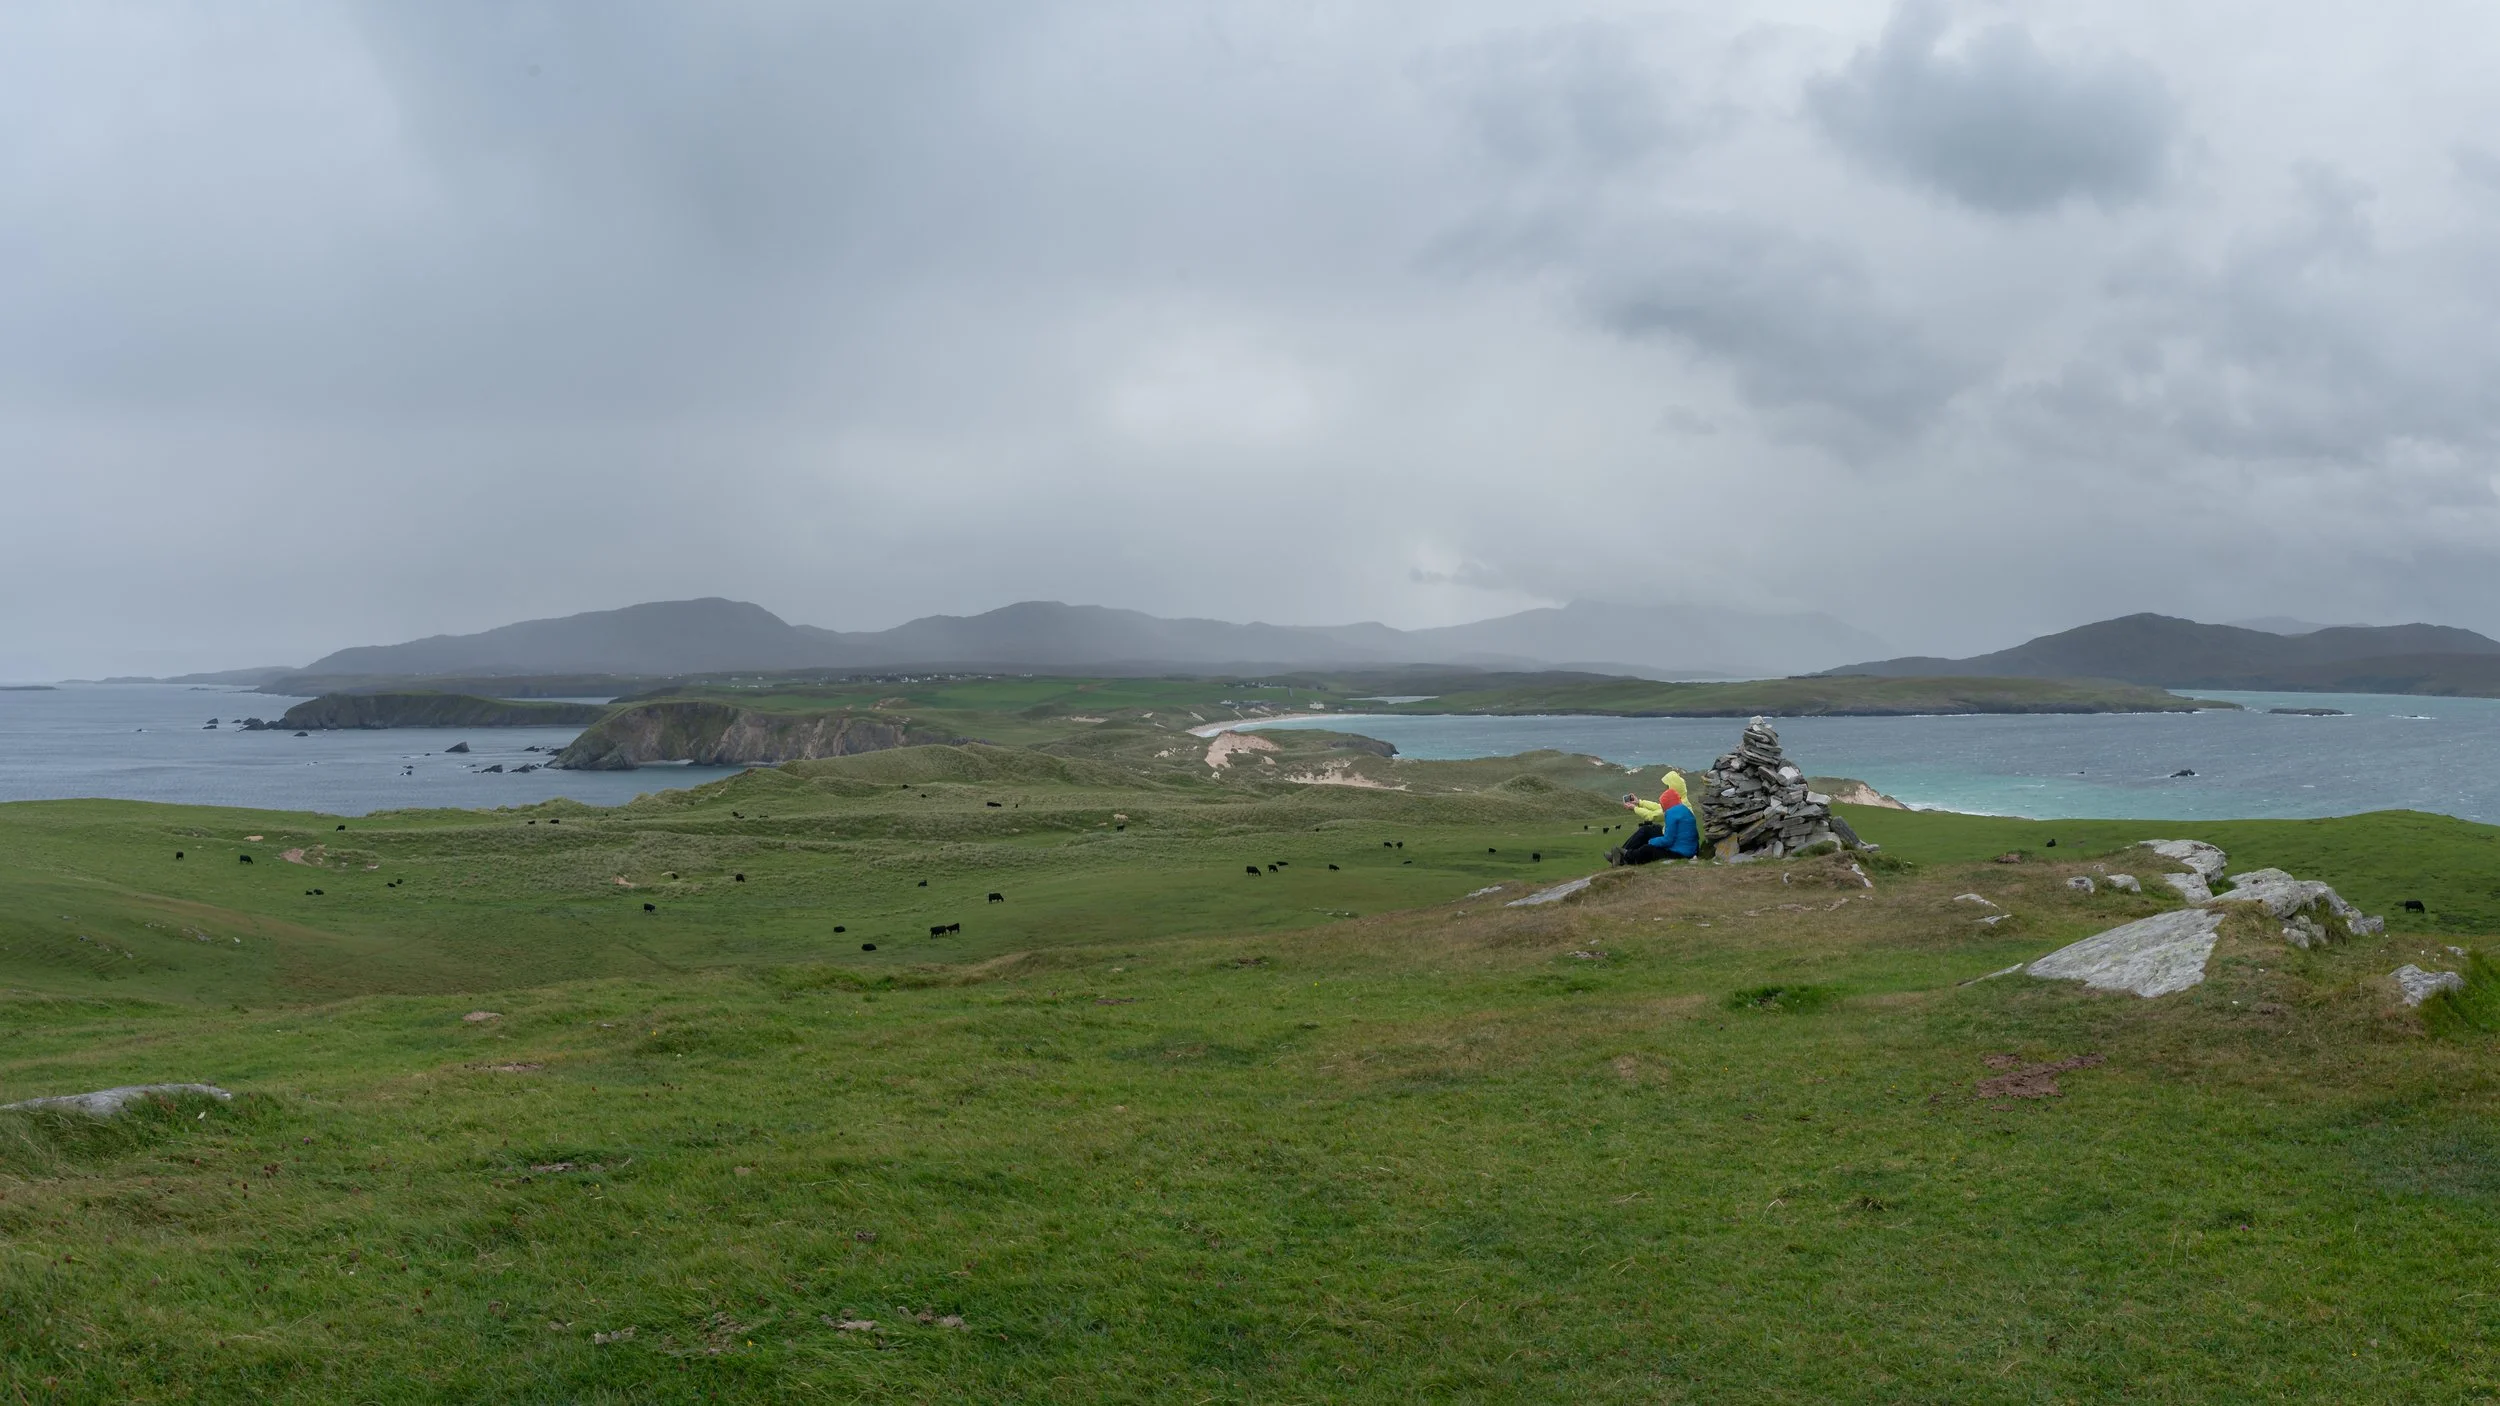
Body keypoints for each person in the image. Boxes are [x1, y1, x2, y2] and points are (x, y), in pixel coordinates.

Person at [1609, 770, 1705, 865]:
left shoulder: (1673, 811)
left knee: (1647, 843)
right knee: (1647, 830)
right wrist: (1640, 803)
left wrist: (1634, 808)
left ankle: (1622, 857)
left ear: (1673, 789)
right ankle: (1620, 855)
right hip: (1682, 844)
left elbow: (1653, 816)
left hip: (1679, 848)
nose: (1666, 789)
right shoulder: (1680, 803)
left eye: (1668, 787)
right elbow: (1659, 807)